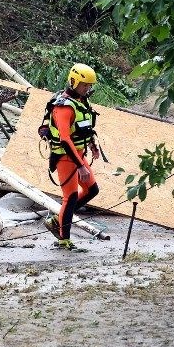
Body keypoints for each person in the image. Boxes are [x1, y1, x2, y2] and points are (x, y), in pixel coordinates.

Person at [42, 63, 101, 251]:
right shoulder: (63, 107)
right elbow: (65, 140)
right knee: (71, 196)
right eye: (85, 85)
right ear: (74, 81)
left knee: (92, 190)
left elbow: (85, 127)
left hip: (79, 153)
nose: (87, 89)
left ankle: (56, 220)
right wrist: (81, 166)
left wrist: (92, 145)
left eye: (90, 85)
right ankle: (63, 240)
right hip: (65, 156)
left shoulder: (82, 101)